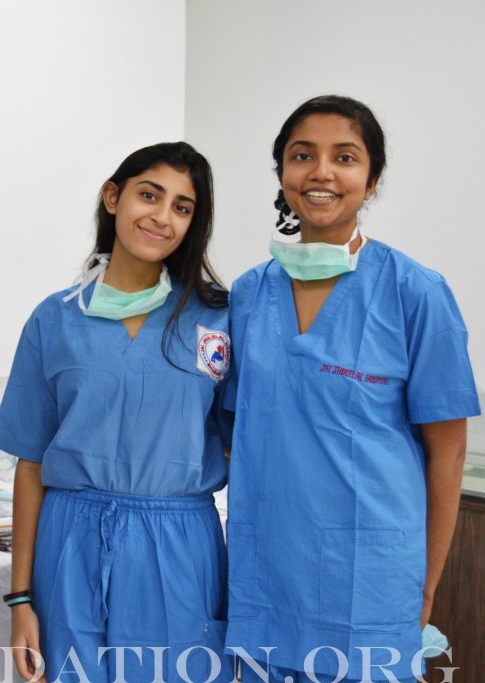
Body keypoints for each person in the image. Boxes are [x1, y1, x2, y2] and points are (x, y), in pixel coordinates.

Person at [222, 95, 480, 683]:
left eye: (345, 157)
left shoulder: (416, 292)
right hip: (266, 572)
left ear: (372, 180)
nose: (322, 172)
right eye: (302, 155)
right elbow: (239, 431)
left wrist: (425, 587)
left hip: (369, 583)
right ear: (282, 174)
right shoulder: (248, 295)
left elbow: (449, 453)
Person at [0, 142, 234, 683]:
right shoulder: (54, 320)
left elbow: (246, 450)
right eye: (150, 195)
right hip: (69, 542)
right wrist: (20, 599)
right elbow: (30, 464)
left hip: (179, 544)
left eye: (182, 207)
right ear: (113, 197)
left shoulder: (219, 319)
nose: (162, 217)